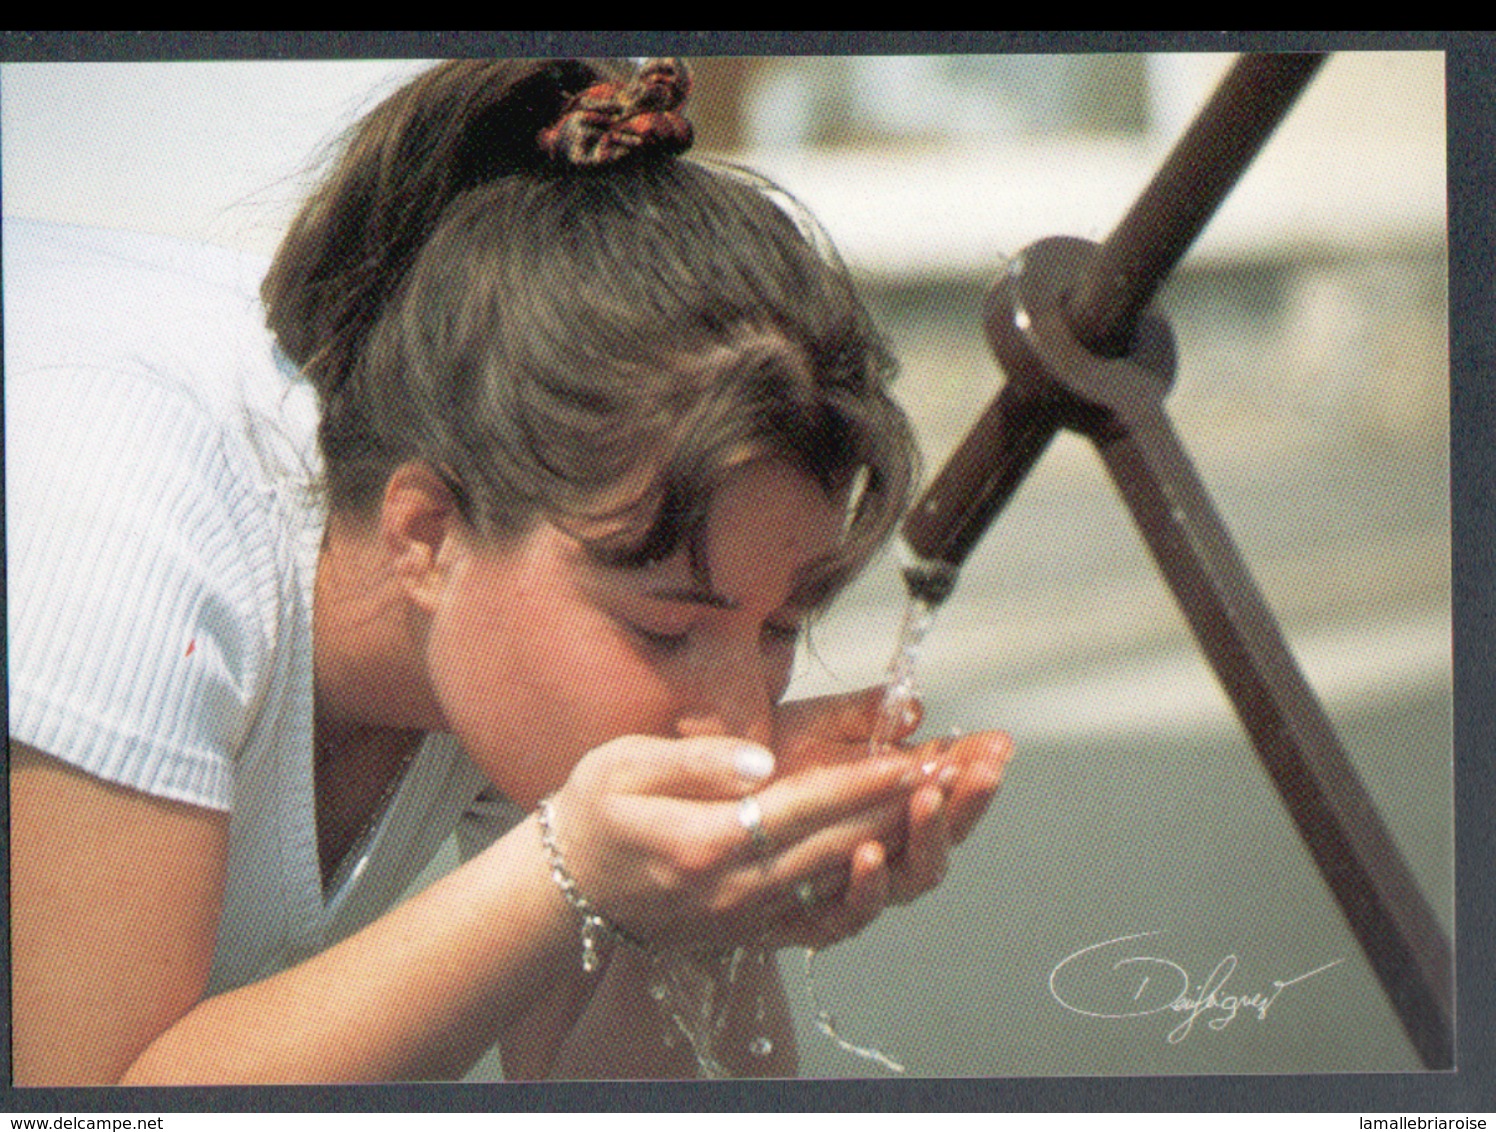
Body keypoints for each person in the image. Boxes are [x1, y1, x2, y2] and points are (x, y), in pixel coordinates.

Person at [7, 58, 1012, 1084]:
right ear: (427, 534)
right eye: (666, 630)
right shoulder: (127, 502)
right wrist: (565, 872)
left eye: (778, 630)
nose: (743, 724)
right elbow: (91, 1106)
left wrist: (707, 906)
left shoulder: (503, 628)